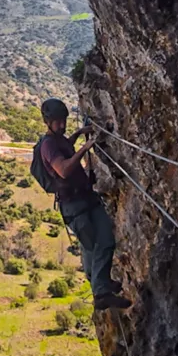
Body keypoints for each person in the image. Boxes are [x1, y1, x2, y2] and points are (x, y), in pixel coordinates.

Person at [38, 98, 131, 311]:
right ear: (48, 122)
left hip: (85, 198)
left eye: (64, 121)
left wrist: (79, 134)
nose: (62, 125)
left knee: (99, 242)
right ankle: (101, 293)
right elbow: (63, 169)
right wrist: (86, 147)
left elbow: (66, 146)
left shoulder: (59, 140)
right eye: (58, 122)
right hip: (74, 206)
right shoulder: (48, 145)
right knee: (99, 243)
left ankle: (102, 283)